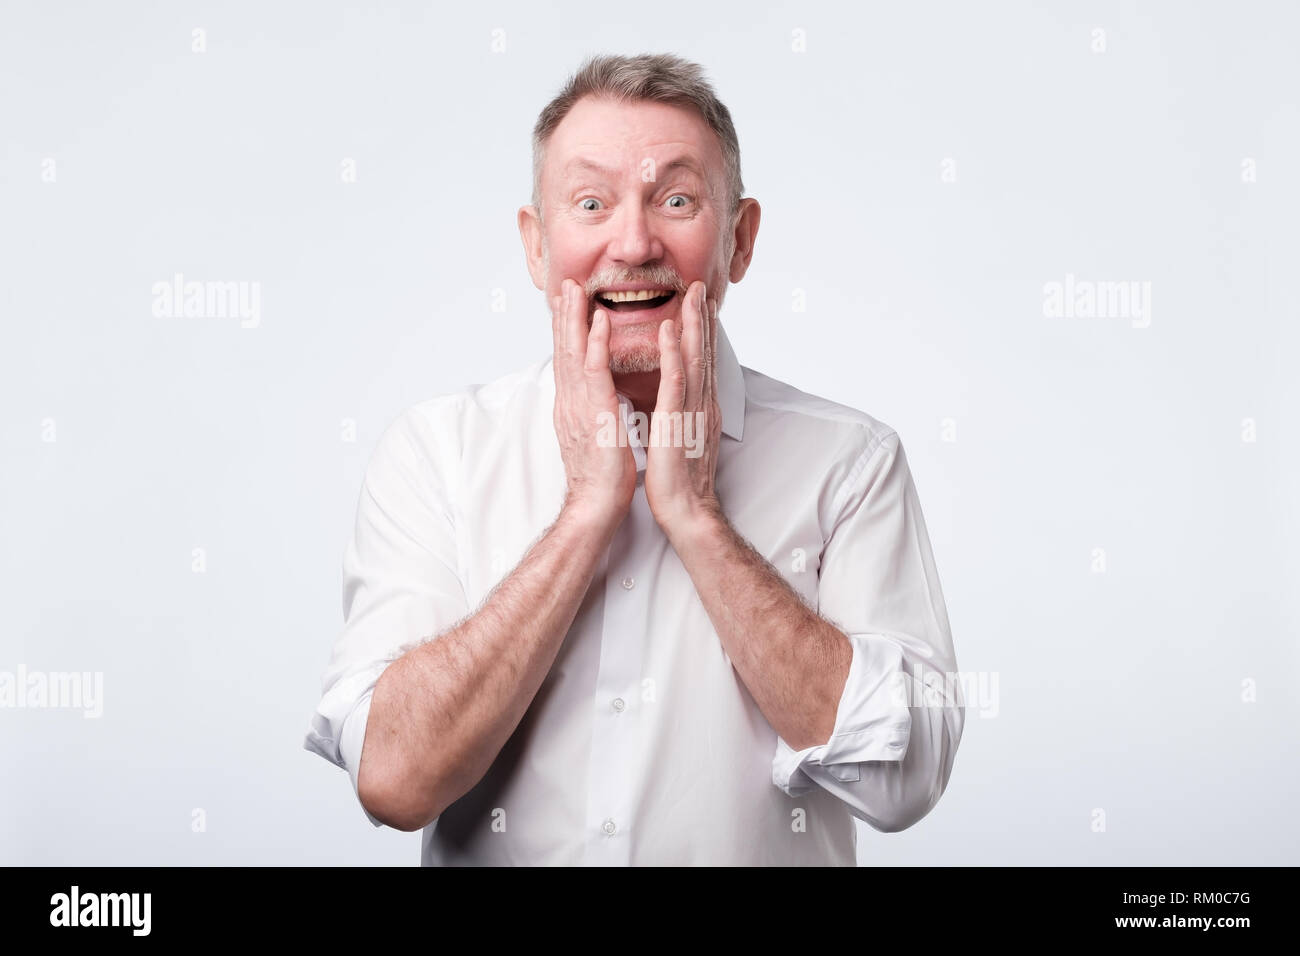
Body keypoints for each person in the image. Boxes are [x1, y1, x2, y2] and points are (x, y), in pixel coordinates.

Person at [304, 52, 964, 866]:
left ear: (740, 240)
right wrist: (587, 513)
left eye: (677, 200)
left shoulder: (851, 463)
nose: (634, 240)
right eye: (591, 203)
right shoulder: (437, 452)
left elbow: (906, 781)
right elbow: (396, 781)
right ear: (537, 246)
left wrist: (695, 517)